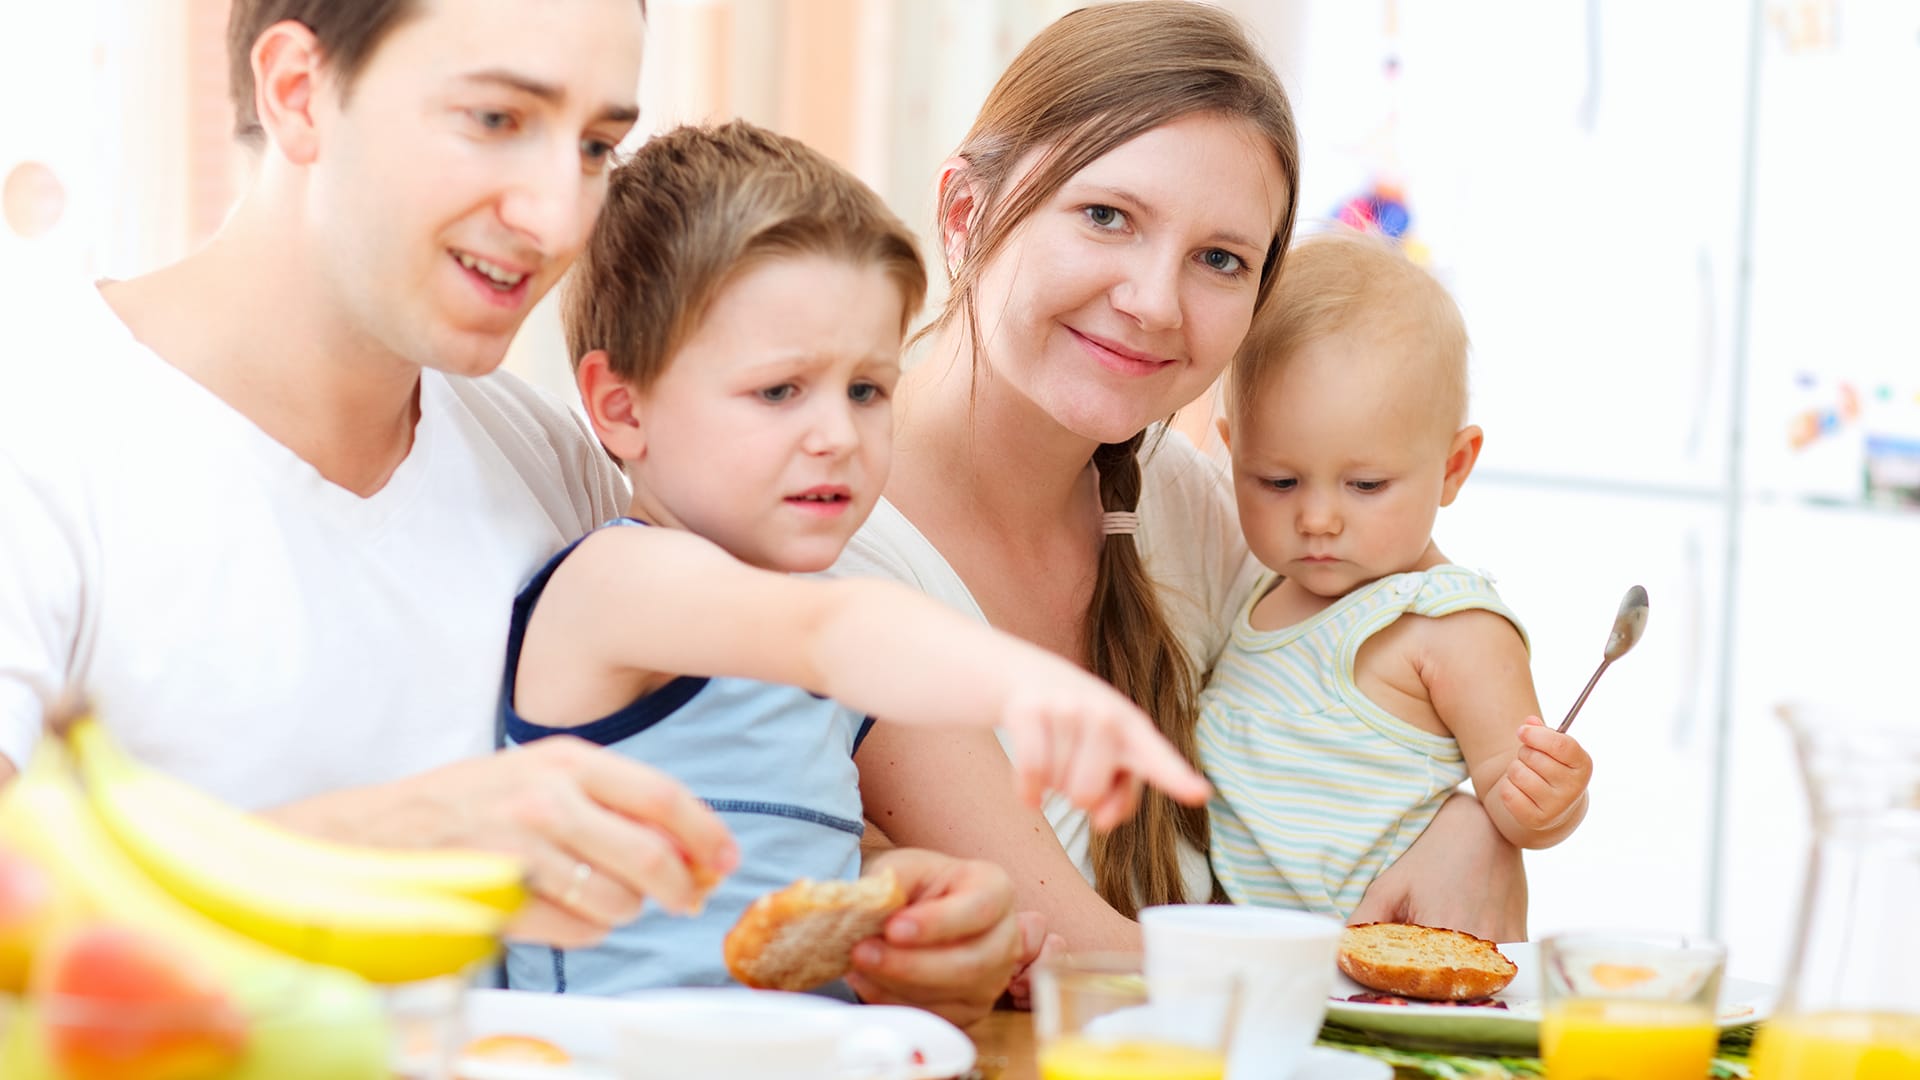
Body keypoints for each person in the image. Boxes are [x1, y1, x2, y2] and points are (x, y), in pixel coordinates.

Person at [0, 0, 1033, 1019]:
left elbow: (725, 794)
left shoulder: (543, 462)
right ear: (297, 92)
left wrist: (907, 911)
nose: (556, 217)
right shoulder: (39, 430)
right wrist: (403, 835)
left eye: (594, 145)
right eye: (496, 119)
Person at [831, 0, 1530, 952]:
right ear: (965, 212)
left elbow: (1386, 675)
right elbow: (1080, 951)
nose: (1156, 303)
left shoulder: (1187, 503)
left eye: (1218, 259)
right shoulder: (830, 530)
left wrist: (1474, 816)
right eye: (1107, 216)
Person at [500, 120, 1209, 998]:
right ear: (622, 409)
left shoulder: (830, 632)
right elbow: (827, 632)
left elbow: (865, 876)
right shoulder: (616, 586)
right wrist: (1028, 685)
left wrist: (942, 928)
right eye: (779, 391)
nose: (838, 435)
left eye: (867, 389)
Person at [1197, 227, 1594, 918]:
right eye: (1279, 481)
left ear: (1453, 468)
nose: (1318, 518)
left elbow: (1513, 805)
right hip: (1269, 973)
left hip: (1405, 966)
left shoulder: (1450, 625)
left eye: (1367, 485)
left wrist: (1552, 799)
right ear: (1231, 454)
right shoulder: (1259, 592)